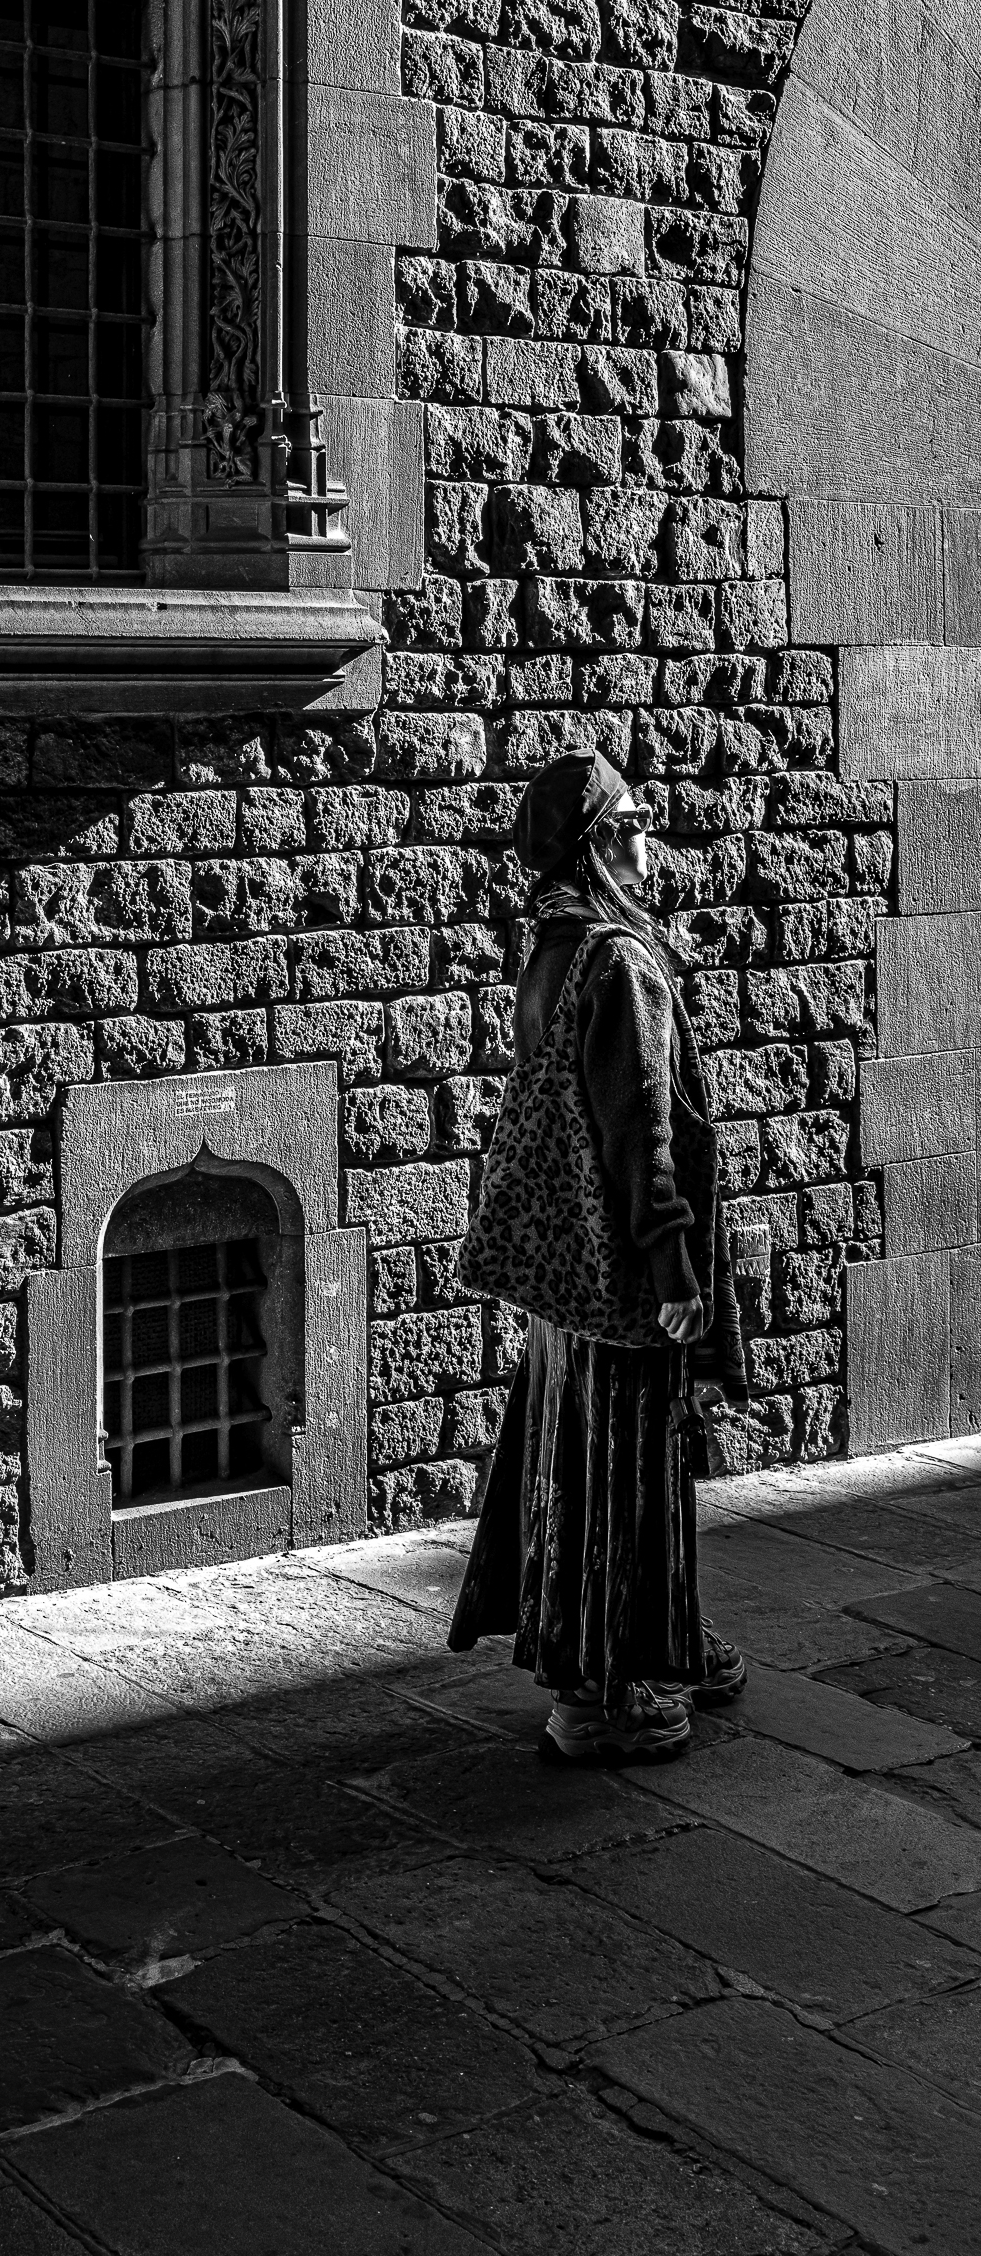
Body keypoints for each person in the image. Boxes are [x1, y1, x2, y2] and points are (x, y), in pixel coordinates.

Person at [448, 750, 749, 1765]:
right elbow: (636, 1130)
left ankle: (661, 1643)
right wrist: (673, 1268)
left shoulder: (554, 951)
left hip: (567, 1276)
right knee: (613, 1472)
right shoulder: (613, 959)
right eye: (630, 820)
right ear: (589, 843)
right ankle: (599, 1694)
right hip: (616, 1270)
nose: (647, 843)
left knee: (602, 1461)